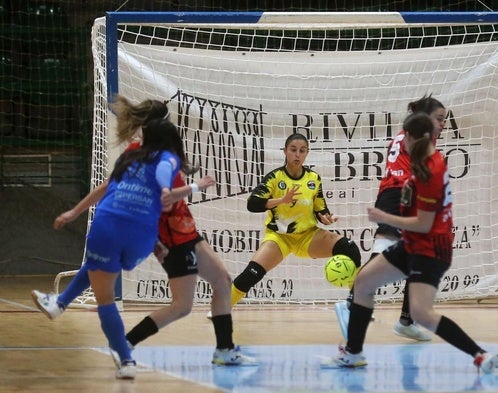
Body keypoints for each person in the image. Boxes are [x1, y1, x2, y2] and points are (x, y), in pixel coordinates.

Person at [32, 97, 255, 378]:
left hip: (183, 231)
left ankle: (224, 350)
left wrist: (76, 211)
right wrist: (193, 189)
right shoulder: (154, 156)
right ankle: (125, 343)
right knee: (181, 306)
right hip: (172, 236)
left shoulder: (149, 152)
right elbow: (164, 200)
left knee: (222, 281)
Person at [323, 112, 498, 374]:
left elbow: (425, 224)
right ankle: (353, 353)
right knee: (363, 283)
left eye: (405, 135)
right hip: (412, 243)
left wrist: (383, 217)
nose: (401, 140)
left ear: (417, 138)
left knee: (421, 313)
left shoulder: (431, 169)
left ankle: (480, 355)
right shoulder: (419, 161)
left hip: (430, 249)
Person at [335, 94, 446, 342]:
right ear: (425, 117)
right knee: (386, 253)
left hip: (399, 194)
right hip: (399, 195)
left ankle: (406, 321)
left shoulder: (405, 134)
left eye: (444, 120)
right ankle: (352, 302)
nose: (442, 124)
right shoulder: (419, 137)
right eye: (439, 119)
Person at [227, 132, 362, 309]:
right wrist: (281, 200)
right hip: (279, 238)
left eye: (302, 150)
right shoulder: (275, 178)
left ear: (307, 153)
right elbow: (252, 204)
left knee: (350, 248)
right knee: (252, 273)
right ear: (285, 151)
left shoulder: (313, 179)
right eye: (293, 150)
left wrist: (327, 218)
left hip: (307, 237)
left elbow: (320, 209)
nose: (297, 154)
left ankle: (358, 304)